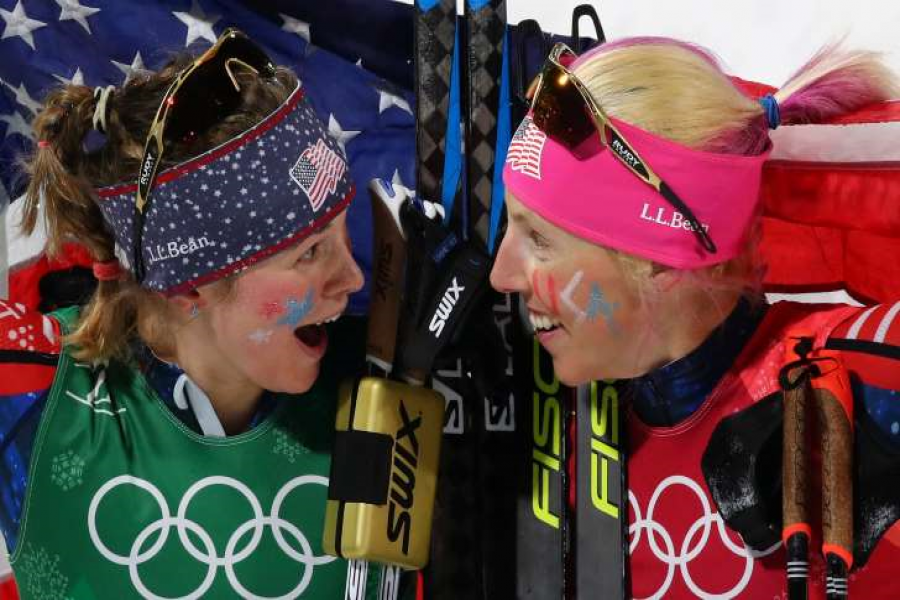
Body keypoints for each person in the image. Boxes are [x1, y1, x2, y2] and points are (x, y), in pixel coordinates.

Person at [0, 28, 406, 599]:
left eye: (342, 235)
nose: (354, 279)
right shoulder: (32, 392)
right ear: (189, 287)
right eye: (310, 252)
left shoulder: (383, 385)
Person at [491, 37, 900, 598]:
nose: (502, 275)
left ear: (657, 262)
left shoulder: (856, 374)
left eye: (539, 240)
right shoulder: (549, 427)